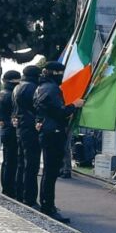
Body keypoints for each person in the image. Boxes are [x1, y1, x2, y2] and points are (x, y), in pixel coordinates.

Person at [34, 60, 82, 223]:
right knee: (51, 171)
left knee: (49, 171)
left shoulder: (41, 87)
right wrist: (74, 105)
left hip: (48, 130)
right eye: (61, 73)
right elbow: (59, 111)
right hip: (53, 132)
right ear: (54, 73)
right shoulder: (52, 89)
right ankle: (48, 207)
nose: (62, 76)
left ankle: (48, 204)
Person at [14, 64, 43, 208]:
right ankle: (29, 198)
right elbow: (37, 106)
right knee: (32, 165)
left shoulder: (18, 87)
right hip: (31, 127)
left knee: (21, 163)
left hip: (21, 126)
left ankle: (20, 194)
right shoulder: (33, 88)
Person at [0, 70, 21, 197]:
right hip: (11, 129)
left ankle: (6, 187)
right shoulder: (12, 95)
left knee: (7, 161)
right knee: (12, 161)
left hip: (5, 128)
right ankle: (10, 189)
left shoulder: (1, 94)